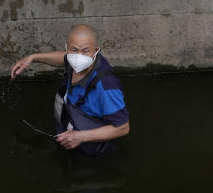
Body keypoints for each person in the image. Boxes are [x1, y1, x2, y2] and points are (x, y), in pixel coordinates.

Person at [10, 24, 129, 157]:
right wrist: (33, 58)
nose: (79, 56)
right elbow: (63, 58)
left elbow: (122, 127)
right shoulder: (73, 62)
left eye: (85, 51)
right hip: (69, 131)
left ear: (95, 51)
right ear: (67, 49)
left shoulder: (106, 86)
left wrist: (80, 137)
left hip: (91, 148)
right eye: (74, 50)